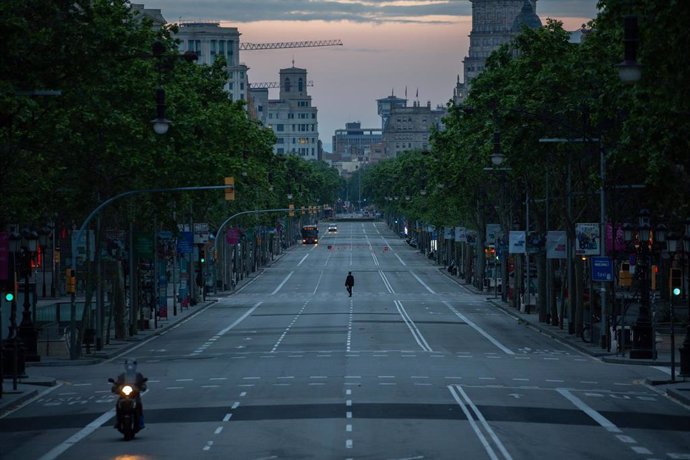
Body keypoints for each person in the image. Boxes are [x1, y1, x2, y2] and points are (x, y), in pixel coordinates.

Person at [112, 358, 147, 429]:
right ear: (125, 366)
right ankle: (118, 421)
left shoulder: (138, 375)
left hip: (134, 395)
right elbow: (117, 383)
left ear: (135, 366)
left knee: (139, 405)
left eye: (132, 365)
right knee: (118, 404)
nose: (130, 367)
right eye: (128, 365)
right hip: (123, 395)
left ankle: (141, 422)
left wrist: (142, 386)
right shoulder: (122, 375)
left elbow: (143, 383)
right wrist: (115, 387)